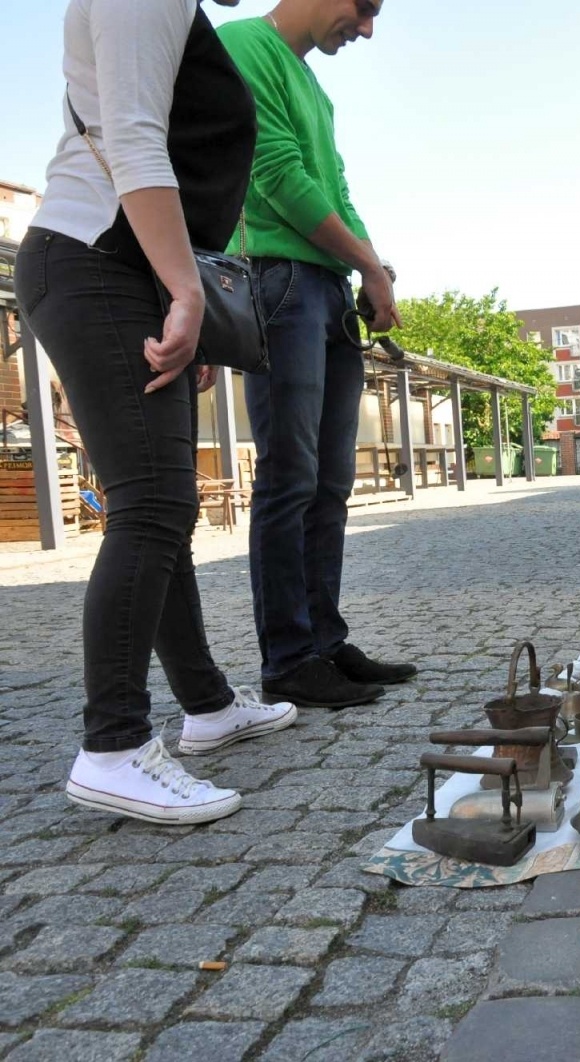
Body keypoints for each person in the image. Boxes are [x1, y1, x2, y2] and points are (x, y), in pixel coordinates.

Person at [18, 0, 298, 826]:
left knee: (164, 507)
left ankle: (207, 705)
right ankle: (112, 747)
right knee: (152, 507)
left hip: (126, 269)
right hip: (98, 261)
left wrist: (183, 293)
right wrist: (187, 290)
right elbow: (131, 139)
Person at [220, 0, 416, 709]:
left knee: (329, 482)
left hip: (327, 290)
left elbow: (336, 187)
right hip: (277, 281)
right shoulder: (242, 46)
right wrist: (369, 263)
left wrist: (372, 270)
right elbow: (277, 176)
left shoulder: (316, 89)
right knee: (288, 477)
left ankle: (324, 642)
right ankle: (288, 660)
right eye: (363, 8)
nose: (365, 29)